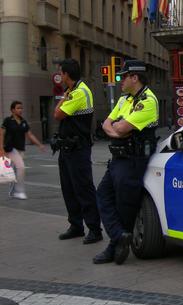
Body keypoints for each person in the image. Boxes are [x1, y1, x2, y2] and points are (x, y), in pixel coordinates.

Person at [93, 60, 159, 265]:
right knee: (102, 195)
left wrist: (117, 130)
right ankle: (119, 235)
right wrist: (117, 130)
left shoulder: (148, 101)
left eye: (123, 76)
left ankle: (116, 244)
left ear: (135, 77)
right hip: (118, 158)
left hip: (133, 160)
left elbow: (120, 129)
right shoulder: (124, 99)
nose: (119, 80)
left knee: (125, 205)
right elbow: (106, 124)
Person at [53, 58, 103, 244]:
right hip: (67, 148)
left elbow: (57, 114)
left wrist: (63, 99)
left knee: (83, 189)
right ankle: (76, 225)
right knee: (69, 189)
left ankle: (94, 229)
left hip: (78, 149)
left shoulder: (79, 92)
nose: (59, 75)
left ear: (66, 74)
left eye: (61, 72)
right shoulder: (72, 91)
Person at [0, 101, 46, 199]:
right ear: (12, 110)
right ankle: (19, 191)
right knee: (21, 167)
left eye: (21, 108)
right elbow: (1, 134)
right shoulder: (8, 121)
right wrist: (1, 148)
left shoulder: (23, 122)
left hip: (20, 149)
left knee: (14, 171)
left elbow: (30, 135)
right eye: (18, 108)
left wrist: (39, 145)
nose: (20, 110)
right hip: (10, 148)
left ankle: (13, 191)